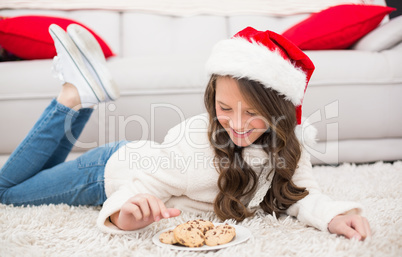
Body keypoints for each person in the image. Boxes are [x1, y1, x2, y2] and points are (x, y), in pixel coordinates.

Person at [0, 24, 371, 240]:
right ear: (213, 100)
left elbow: (299, 193)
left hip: (144, 155)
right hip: (105, 172)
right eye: (225, 109)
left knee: (18, 184)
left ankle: (82, 94)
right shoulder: (196, 145)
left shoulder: (292, 143)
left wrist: (332, 215)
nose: (238, 125)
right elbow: (141, 188)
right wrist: (122, 215)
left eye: (254, 114)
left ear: (281, 112)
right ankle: (72, 97)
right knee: (6, 192)